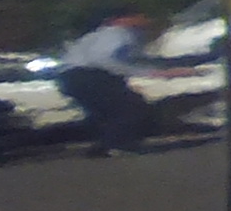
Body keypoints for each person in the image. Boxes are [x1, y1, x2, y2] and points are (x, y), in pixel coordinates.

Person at [55, 11, 160, 155]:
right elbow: (103, 59)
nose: (145, 20)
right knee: (130, 107)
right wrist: (148, 73)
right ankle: (118, 145)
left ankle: (104, 145)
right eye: (139, 16)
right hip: (90, 75)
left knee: (105, 112)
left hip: (69, 77)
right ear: (122, 19)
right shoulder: (119, 33)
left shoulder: (95, 35)